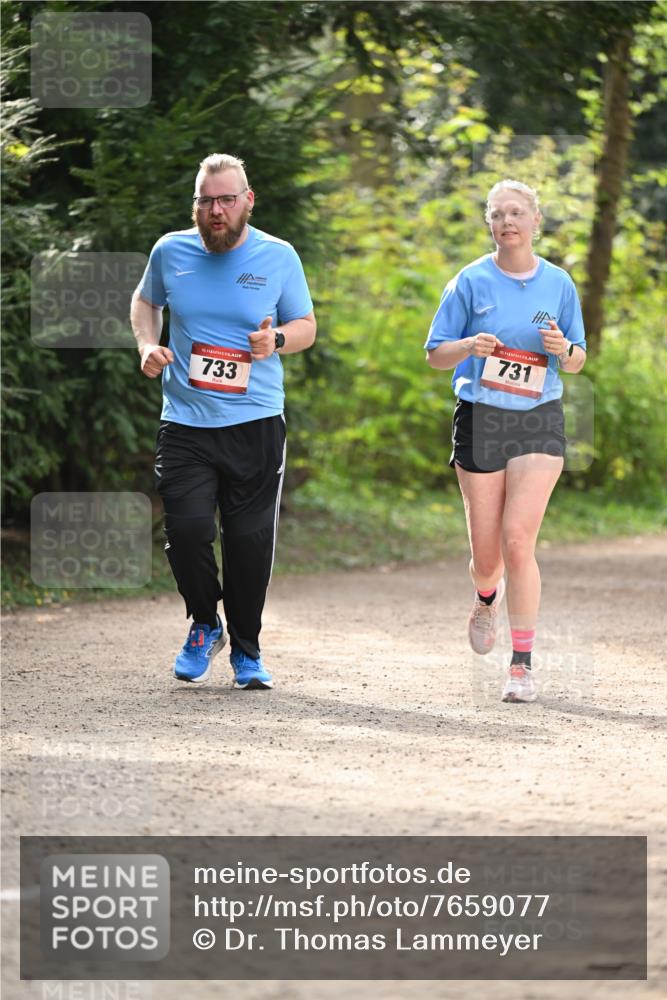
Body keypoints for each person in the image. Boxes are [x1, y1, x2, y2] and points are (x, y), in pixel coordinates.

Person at [131, 153, 316, 690]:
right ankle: (204, 622)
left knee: (248, 543)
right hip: (186, 422)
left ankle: (247, 652)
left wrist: (275, 339)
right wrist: (147, 344)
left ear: (247, 201)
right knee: (186, 531)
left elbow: (306, 325)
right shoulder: (171, 250)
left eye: (226, 200)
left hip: (255, 422)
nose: (216, 211)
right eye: (206, 201)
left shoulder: (278, 255)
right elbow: (145, 303)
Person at [425, 179, 586, 703]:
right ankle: (485, 595)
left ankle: (521, 665)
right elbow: (435, 354)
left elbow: (578, 359)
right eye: (497, 214)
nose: (507, 221)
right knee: (488, 556)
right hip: (481, 416)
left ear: (536, 220)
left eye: (516, 212)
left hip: (539, 417)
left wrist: (563, 349)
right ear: (489, 224)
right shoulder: (469, 281)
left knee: (519, 541)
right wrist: (469, 345)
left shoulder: (558, 283)